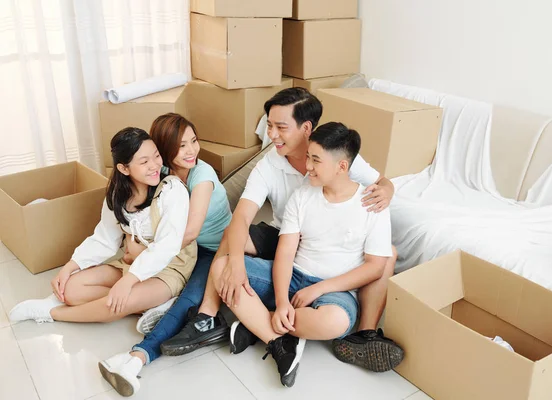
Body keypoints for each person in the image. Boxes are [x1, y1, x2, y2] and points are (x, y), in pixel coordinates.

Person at [160, 88, 403, 374]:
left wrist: (386, 191)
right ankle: (208, 316)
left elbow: (382, 182)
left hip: (322, 249)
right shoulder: (270, 166)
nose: (271, 134)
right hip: (283, 238)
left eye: (280, 127)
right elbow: (240, 218)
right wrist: (236, 266)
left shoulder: (335, 152)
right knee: (231, 239)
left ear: (306, 128)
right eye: (269, 125)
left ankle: (361, 333)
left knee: (389, 252)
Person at [225, 122, 396, 387]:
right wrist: (282, 301)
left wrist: (319, 290)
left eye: (316, 160)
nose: (308, 166)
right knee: (222, 268)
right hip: (293, 277)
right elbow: (284, 254)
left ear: (341, 166)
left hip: (335, 290)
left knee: (336, 322)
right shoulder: (303, 196)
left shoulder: (372, 204)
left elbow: (375, 268)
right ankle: (279, 330)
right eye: (308, 157)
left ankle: (258, 323)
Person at [98, 113, 232, 397]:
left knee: (189, 300)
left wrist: (144, 253)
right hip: (179, 251)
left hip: (215, 249)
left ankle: (136, 359)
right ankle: (162, 305)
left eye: (194, 141)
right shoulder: (163, 173)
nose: (192, 151)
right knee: (145, 278)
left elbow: (191, 231)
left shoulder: (202, 175)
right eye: (182, 146)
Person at [10, 127, 196, 331]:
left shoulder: (172, 190)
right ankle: (151, 305)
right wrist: (69, 267)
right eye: (144, 162)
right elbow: (105, 239)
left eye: (156, 156)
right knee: (72, 290)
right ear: (124, 169)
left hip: (169, 268)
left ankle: (51, 313)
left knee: (119, 304)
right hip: (133, 263)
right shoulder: (118, 195)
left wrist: (128, 282)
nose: (154, 166)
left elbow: (167, 246)